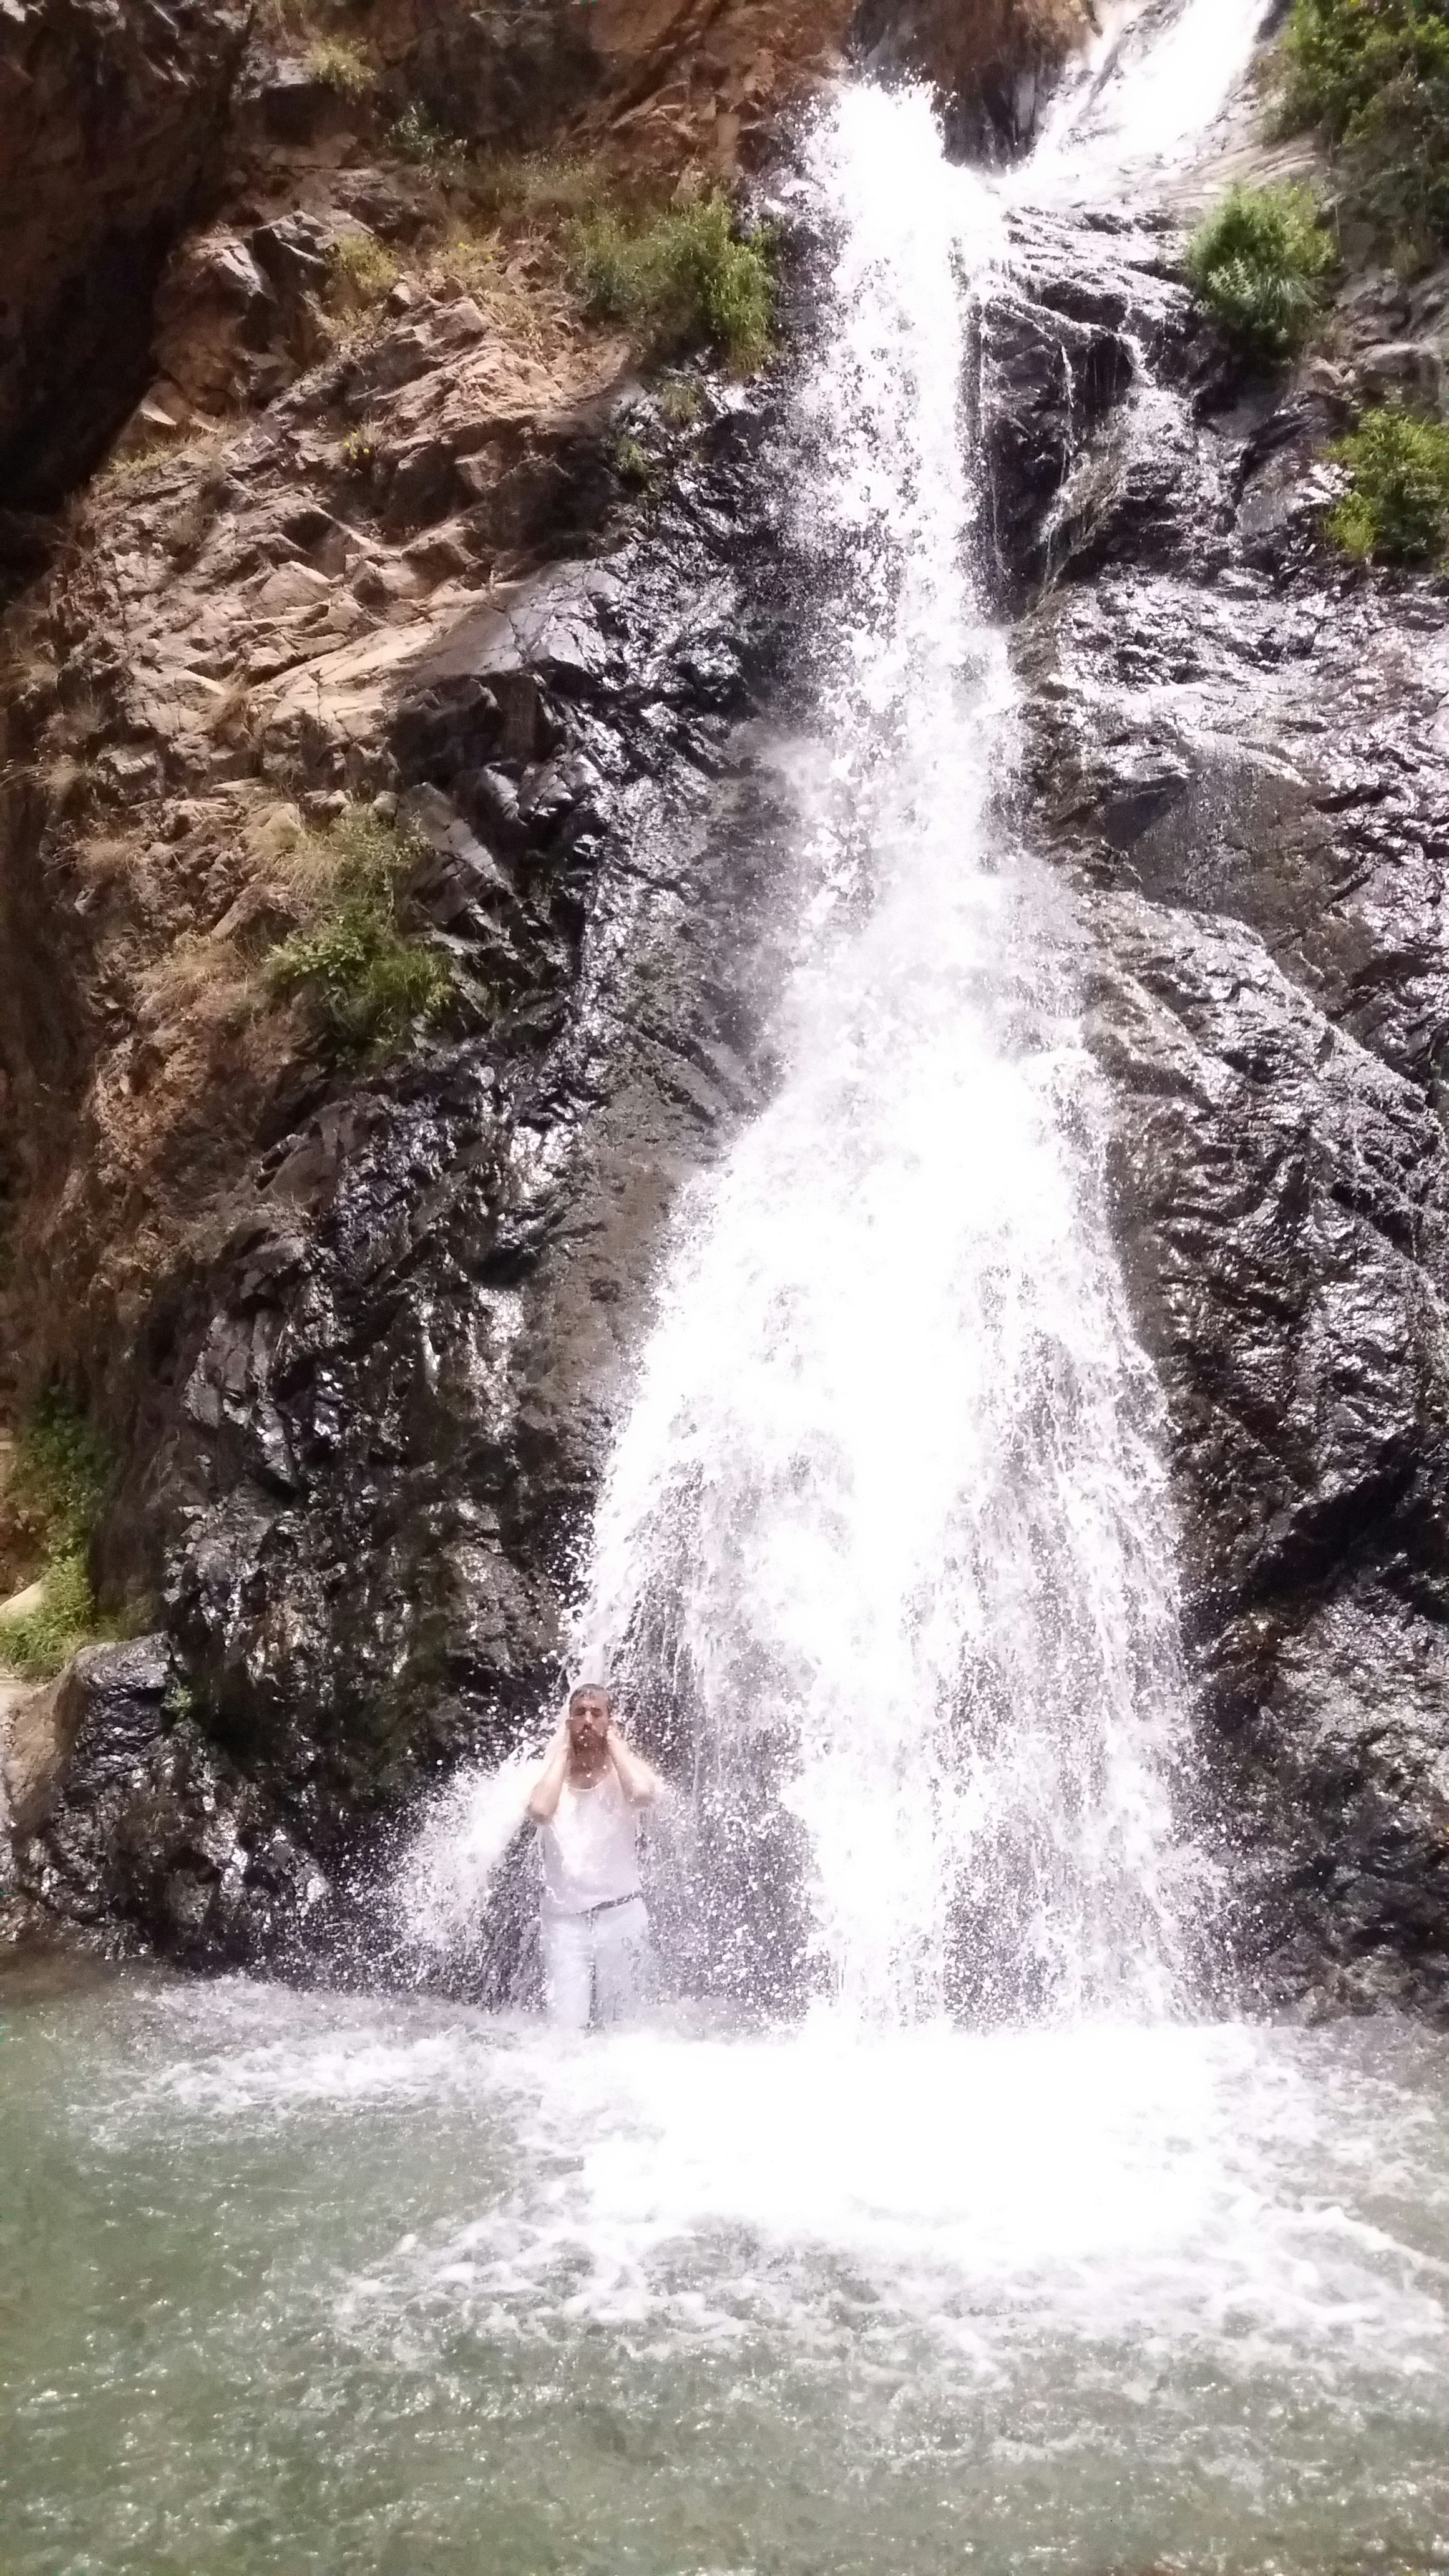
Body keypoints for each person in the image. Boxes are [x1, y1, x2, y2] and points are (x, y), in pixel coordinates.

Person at [526, 1683, 660, 2031]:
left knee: (623, 2032)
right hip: (565, 1924)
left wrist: (615, 1745)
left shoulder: (626, 1772)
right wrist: (561, 1755)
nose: (587, 1721)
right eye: (580, 1713)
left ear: (610, 1721)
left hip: (621, 1917)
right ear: (568, 1721)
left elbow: (643, 1794)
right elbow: (540, 1811)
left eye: (596, 1713)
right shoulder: (548, 1776)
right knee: (566, 2033)